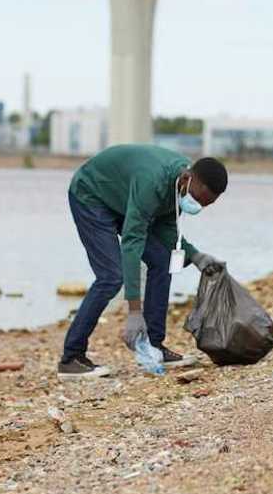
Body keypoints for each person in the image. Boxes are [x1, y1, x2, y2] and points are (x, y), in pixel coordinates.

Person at [59, 144, 227, 380]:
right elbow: (132, 243)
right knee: (111, 276)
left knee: (162, 260)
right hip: (91, 195)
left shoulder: (179, 187)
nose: (196, 206)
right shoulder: (153, 183)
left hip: (123, 199)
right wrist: (134, 312)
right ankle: (71, 358)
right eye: (198, 199)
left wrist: (196, 256)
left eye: (204, 205)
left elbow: (168, 230)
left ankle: (155, 346)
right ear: (188, 179)